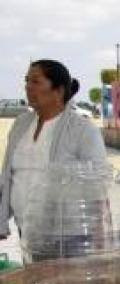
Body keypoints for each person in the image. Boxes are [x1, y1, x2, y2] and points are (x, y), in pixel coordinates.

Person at [0, 59, 107, 240]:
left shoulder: (82, 130)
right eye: (26, 80)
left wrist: (99, 235)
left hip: (68, 235)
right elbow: (8, 176)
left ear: (58, 91)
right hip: (25, 229)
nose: (28, 87)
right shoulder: (20, 124)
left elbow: (99, 185)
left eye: (35, 81)